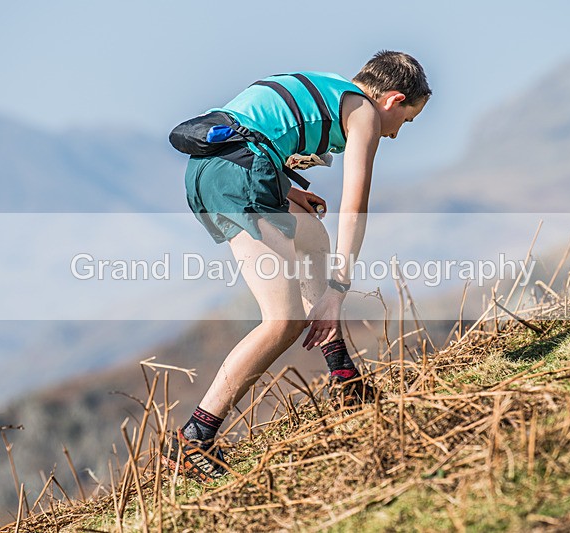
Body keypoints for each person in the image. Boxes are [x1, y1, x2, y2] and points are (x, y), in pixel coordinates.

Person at [168, 50, 431, 482]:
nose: (397, 134)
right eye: (406, 120)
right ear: (392, 99)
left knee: (312, 236)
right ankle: (196, 437)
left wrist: (289, 194)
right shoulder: (363, 112)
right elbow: (355, 204)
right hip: (239, 173)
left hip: (214, 169)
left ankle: (344, 378)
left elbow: (256, 132)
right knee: (284, 321)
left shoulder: (333, 88)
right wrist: (338, 291)